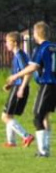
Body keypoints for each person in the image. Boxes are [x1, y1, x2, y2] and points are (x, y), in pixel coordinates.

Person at [7, 21, 56, 157]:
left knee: (37, 116)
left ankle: (43, 151)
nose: (33, 35)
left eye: (34, 32)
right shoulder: (54, 46)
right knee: (45, 115)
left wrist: (15, 75)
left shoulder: (41, 48)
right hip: (53, 84)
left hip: (47, 83)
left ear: (37, 33)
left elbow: (33, 67)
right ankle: (46, 148)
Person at [1, 31, 34, 148]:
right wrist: (10, 85)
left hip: (20, 88)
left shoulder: (20, 55)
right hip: (17, 87)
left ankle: (26, 136)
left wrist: (22, 88)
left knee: (5, 116)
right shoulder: (18, 55)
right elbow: (20, 74)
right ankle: (11, 142)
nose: (6, 44)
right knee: (9, 115)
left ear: (14, 43)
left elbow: (28, 72)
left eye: (7, 42)